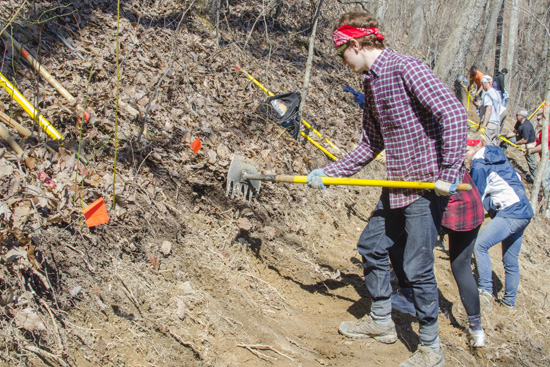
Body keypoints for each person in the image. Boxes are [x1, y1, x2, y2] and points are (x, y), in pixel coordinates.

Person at [306, 11, 467, 367]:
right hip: (395, 184)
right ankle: (381, 320)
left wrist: (450, 170)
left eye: (340, 53)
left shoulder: (407, 68)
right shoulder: (372, 83)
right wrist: (331, 172)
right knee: (372, 246)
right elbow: (370, 144)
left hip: (426, 187)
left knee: (417, 266)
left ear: (355, 44)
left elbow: (453, 114)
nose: (341, 61)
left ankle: (430, 349)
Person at [390, 158, 486, 348]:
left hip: (449, 207)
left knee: (397, 243)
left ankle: (408, 295)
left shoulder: (429, 155)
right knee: (461, 266)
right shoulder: (454, 152)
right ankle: (476, 329)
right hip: (472, 206)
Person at [466, 135, 534, 310]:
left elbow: (476, 199)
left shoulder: (480, 164)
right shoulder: (497, 157)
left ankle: (485, 292)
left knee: (479, 246)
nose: (464, 155)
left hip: (511, 212)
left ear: (477, 146)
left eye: (466, 151)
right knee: (510, 259)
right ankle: (509, 303)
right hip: (524, 211)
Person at [502, 109, 537, 183]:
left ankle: (534, 179)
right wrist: (506, 136)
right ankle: (501, 154)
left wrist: (516, 143)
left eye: (517, 115)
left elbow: (525, 140)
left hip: (529, 143)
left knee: (531, 161)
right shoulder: (519, 122)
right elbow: (514, 132)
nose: (516, 116)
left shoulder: (526, 126)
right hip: (521, 138)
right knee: (504, 141)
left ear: (522, 116)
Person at [525, 111, 550, 217]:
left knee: (545, 181)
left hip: (548, 159)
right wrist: (525, 146)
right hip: (545, 159)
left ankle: (547, 205)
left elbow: (542, 146)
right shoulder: (541, 132)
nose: (537, 121)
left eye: (539, 119)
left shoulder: (548, 130)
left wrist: (531, 151)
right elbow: (536, 143)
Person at [476, 75, 502, 146]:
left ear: (484, 84)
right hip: (496, 125)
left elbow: (489, 110)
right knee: (492, 148)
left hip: (489, 124)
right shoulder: (497, 93)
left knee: (485, 147)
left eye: (482, 85)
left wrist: (483, 126)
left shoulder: (488, 94)